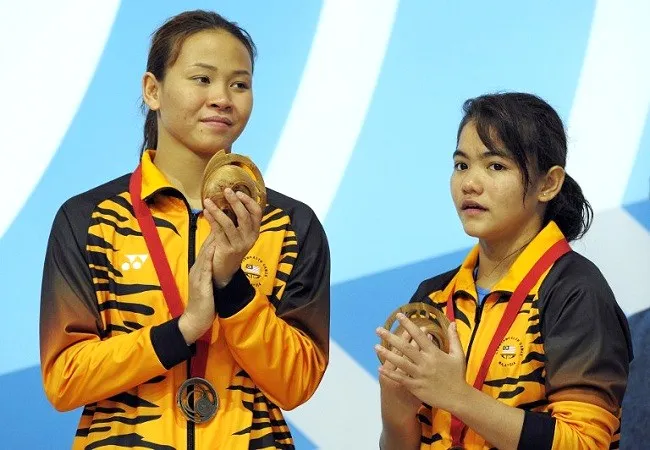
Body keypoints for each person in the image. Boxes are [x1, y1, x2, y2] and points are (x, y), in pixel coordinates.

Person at [39, 10, 330, 449]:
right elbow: (65, 379)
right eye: (202, 79)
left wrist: (232, 288)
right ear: (152, 90)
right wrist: (182, 330)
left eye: (240, 84)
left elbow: (298, 383)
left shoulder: (288, 224)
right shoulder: (91, 219)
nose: (222, 98)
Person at [375, 92, 632, 450]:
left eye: (495, 166)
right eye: (461, 165)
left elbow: (585, 443)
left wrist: (457, 396)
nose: (469, 183)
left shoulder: (575, 292)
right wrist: (397, 413)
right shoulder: (434, 297)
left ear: (548, 184)